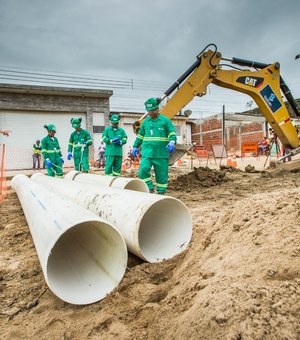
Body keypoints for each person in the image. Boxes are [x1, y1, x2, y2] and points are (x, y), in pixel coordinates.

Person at [131, 97, 177, 194]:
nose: (150, 112)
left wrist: (172, 141)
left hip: (161, 154)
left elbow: (171, 133)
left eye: (152, 110)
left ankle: (161, 193)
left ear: (157, 109)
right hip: (147, 153)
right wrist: (135, 146)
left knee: (161, 176)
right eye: (148, 111)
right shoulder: (145, 123)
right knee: (142, 170)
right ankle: (149, 187)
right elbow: (140, 135)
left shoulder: (165, 121)